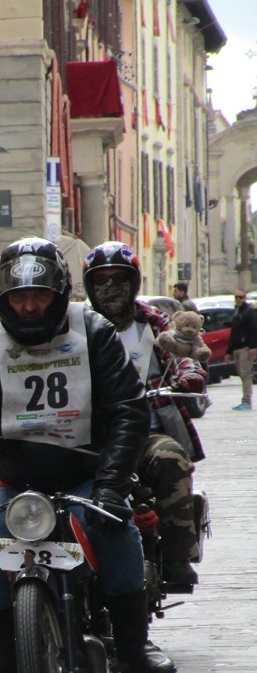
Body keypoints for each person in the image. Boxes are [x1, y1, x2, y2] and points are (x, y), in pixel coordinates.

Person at [0, 236, 175, 673]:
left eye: (39, 295)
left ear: (60, 293)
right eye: (19, 297)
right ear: (2, 298)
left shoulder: (94, 332)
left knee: (118, 528)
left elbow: (129, 411)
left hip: (88, 470)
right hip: (16, 478)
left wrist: (111, 487)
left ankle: (133, 645)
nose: (29, 306)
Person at [83, 241, 207, 587]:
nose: (110, 287)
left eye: (119, 279)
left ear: (133, 282)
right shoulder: (77, 325)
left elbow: (180, 346)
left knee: (171, 457)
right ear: (89, 286)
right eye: (101, 280)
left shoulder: (151, 320)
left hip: (145, 432)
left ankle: (178, 558)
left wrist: (190, 371)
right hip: (90, 433)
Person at [226, 289, 257, 410]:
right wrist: (228, 351)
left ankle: (247, 401)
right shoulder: (237, 312)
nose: (238, 299)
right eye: (236, 297)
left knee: (245, 373)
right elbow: (233, 332)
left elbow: (255, 329)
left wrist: (253, 346)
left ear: (245, 298)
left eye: (240, 297)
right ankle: (245, 400)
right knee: (241, 374)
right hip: (237, 347)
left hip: (246, 347)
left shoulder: (249, 312)